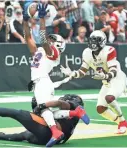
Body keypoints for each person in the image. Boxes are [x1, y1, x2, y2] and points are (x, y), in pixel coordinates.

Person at [23, 3, 89, 147]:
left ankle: (56, 132)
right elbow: (28, 37)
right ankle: (75, 112)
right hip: (39, 82)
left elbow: (41, 38)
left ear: (58, 44)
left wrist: (41, 20)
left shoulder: (54, 53)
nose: (50, 40)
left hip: (43, 82)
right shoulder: (40, 51)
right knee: (48, 112)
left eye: (53, 40)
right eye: (51, 39)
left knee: (43, 108)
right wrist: (25, 19)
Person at [61, 30, 127, 134]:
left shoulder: (109, 50)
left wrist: (105, 75)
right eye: (92, 40)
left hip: (117, 79)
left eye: (96, 40)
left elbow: (114, 71)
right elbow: (82, 71)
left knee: (109, 98)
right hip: (106, 81)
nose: (93, 43)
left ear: (102, 42)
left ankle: (123, 122)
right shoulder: (86, 52)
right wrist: (72, 73)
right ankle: (121, 122)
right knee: (100, 109)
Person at [0, 93, 89, 146]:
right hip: (47, 139)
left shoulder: (71, 106)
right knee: (25, 135)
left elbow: (58, 102)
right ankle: (1, 136)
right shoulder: (73, 119)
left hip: (48, 132)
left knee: (16, 113)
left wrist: (42, 106)